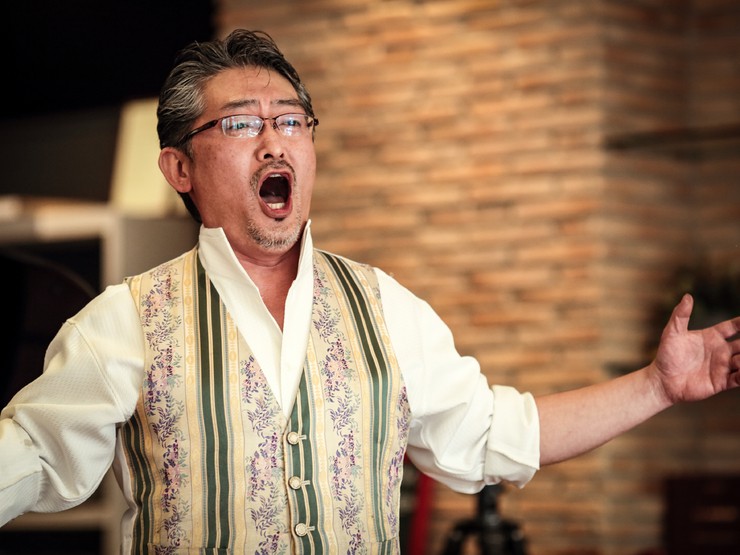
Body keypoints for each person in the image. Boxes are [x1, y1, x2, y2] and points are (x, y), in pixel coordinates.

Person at [0, 29, 738, 554]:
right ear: (179, 169)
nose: (275, 140)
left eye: (292, 121)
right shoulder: (125, 321)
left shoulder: (386, 307)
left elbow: (500, 433)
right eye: (241, 124)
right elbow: (26, 457)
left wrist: (657, 385)